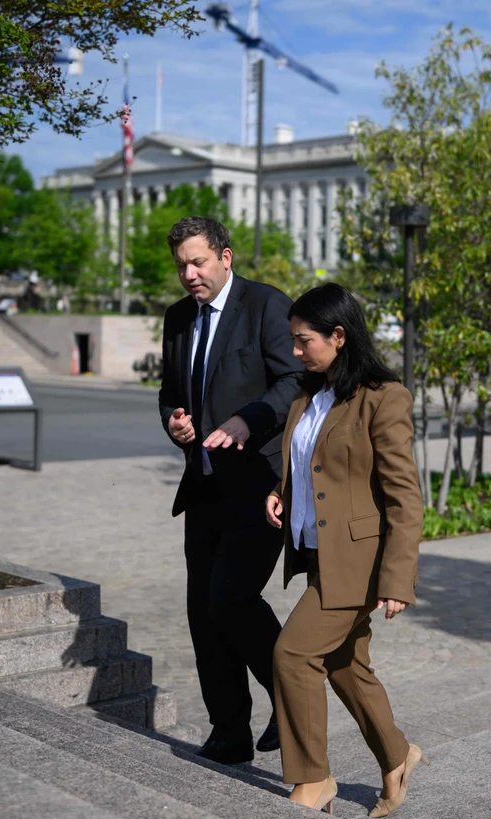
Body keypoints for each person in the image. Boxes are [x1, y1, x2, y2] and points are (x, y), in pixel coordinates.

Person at [265, 283, 428, 818]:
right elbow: (312, 464)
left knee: (292, 655)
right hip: (316, 552)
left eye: (303, 339)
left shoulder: (385, 397)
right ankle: (397, 755)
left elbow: (405, 497)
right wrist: (281, 494)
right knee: (344, 664)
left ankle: (313, 779)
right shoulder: (309, 393)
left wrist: (396, 580)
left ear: (339, 336)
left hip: (357, 563)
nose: (296, 351)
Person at [157, 216, 302, 764]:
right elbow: (171, 391)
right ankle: (229, 730)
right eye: (181, 266)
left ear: (226, 256)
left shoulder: (266, 306)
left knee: (231, 598)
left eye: (197, 262)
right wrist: (174, 420)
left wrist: (249, 420)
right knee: (203, 609)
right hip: (204, 486)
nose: (189, 274)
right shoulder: (177, 319)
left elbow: (295, 381)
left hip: (262, 485)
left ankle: (292, 700)